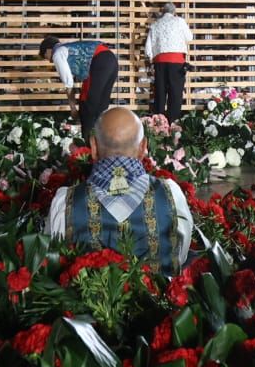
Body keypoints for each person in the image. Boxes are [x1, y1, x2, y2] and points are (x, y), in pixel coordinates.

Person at [45, 106, 192, 271]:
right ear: (143, 147)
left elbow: (52, 262)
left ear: (93, 146)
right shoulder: (171, 194)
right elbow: (180, 256)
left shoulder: (65, 203)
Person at [41, 34, 119, 136]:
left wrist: (73, 109)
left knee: (86, 104)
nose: (49, 61)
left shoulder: (57, 54)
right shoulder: (68, 48)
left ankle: (87, 143)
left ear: (48, 50)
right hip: (111, 59)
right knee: (101, 106)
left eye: (45, 56)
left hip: (99, 61)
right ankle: (102, 140)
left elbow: (69, 83)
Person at [145, 2, 193, 121]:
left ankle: (159, 122)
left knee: (160, 92)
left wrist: (151, 58)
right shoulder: (180, 21)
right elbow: (189, 38)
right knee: (175, 93)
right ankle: (173, 121)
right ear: (174, 12)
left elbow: (148, 48)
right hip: (176, 61)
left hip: (160, 61)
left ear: (163, 12)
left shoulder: (155, 24)